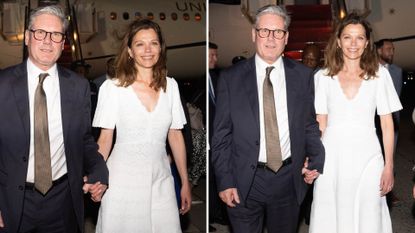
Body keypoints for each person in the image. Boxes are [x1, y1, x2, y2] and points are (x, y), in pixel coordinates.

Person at [211, 5, 325, 233]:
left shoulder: (303, 76)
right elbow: (221, 136)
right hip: (244, 181)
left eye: (278, 32)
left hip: (288, 180)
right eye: (264, 31)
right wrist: (225, 181)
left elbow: (308, 125)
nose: (271, 38)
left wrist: (316, 159)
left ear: (286, 38)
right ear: (254, 34)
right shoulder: (230, 79)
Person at [0, 5, 108, 233]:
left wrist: (99, 171)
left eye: (56, 35)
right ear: (28, 37)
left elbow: (85, 140)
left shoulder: (78, 87)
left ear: (63, 43)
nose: (48, 41)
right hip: (12, 202)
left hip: (63, 203)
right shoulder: (2, 85)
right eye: (41, 33)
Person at [92, 19, 191, 232]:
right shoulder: (112, 88)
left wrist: (184, 182)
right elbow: (105, 139)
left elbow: (175, 136)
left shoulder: (171, 86)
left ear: (160, 48)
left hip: (161, 181)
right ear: (129, 51)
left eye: (154, 43)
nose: (148, 50)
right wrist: (96, 176)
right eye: (140, 44)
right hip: (122, 182)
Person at [309, 13, 402, 233]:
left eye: (359, 38)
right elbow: (320, 124)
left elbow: (387, 125)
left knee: (368, 214)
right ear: (338, 41)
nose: (353, 43)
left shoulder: (379, 75)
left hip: (368, 157)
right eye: (348, 37)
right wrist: (313, 160)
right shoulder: (322, 77)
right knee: (330, 215)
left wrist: (389, 166)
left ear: (367, 42)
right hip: (331, 158)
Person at [375, 38, 403, 205]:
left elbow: (395, 99)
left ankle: (390, 192)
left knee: (389, 158)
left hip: (391, 122)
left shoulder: (397, 71)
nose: (392, 52)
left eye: (393, 49)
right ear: (379, 51)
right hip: (372, 123)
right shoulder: (369, 68)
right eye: (388, 49)